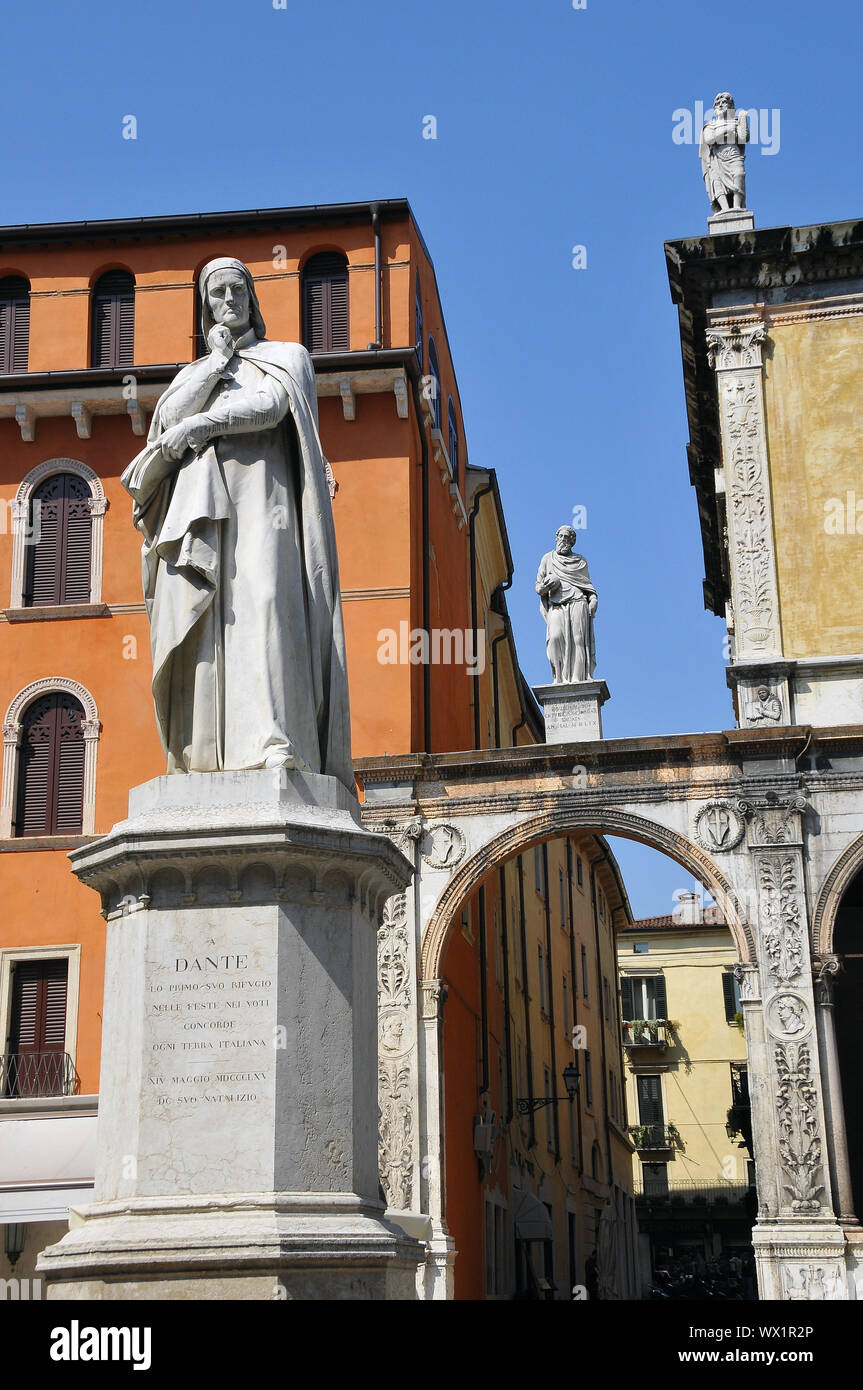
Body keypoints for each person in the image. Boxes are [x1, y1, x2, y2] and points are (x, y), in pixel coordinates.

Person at [122, 257, 352, 789]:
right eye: (217, 293)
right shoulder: (195, 375)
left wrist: (204, 424)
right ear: (206, 307)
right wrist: (213, 365)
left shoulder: (285, 358)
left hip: (266, 508)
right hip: (203, 515)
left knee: (268, 603)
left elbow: (271, 406)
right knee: (211, 623)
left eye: (237, 289)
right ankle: (209, 752)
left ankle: (277, 741)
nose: (229, 299)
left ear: (252, 297)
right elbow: (167, 421)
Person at [535, 525, 598, 684]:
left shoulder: (580, 561)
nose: (563, 540)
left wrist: (593, 600)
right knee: (555, 638)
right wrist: (545, 587)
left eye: (567, 538)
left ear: (572, 541)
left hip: (578, 601)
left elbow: (588, 586)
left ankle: (578, 679)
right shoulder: (547, 559)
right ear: (556, 538)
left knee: (578, 640)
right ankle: (559, 678)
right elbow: (538, 587)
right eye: (561, 537)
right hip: (556, 603)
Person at [700, 93, 749, 214]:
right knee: (717, 183)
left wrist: (743, 120)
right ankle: (725, 209)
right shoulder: (710, 125)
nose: (721, 105)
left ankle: (737, 206)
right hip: (717, 158)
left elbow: (743, 137)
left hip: (733, 154)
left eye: (724, 102)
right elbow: (710, 139)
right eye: (718, 104)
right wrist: (727, 129)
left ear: (731, 106)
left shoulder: (736, 122)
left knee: (739, 174)